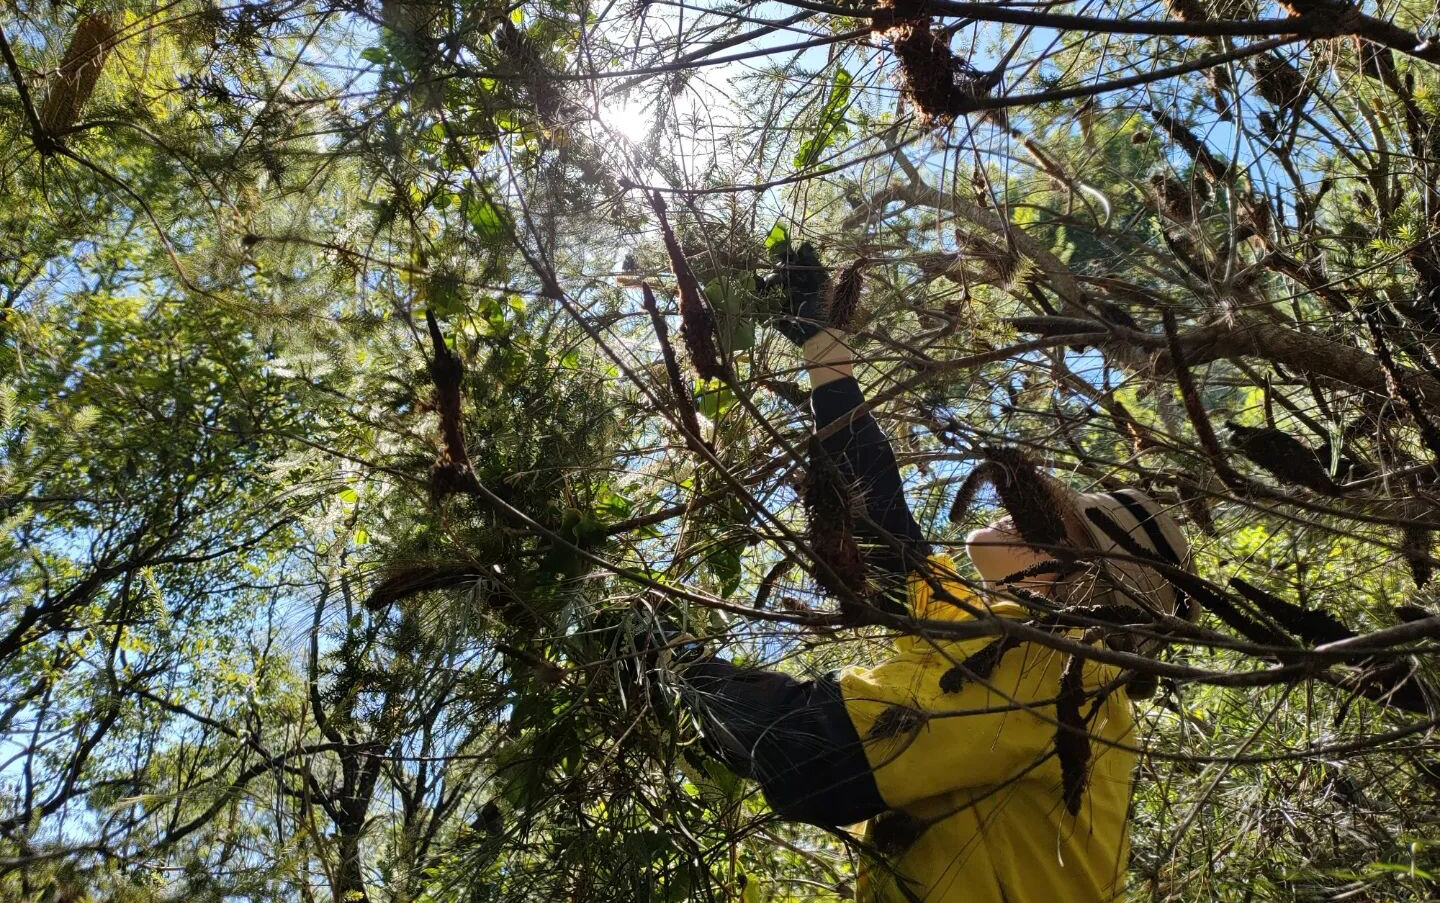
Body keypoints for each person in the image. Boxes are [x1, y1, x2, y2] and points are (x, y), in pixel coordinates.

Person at [654, 243, 1195, 903]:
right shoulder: (996, 641)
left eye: (1053, 518)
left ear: (1079, 579)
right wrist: (824, 351)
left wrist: (676, 662)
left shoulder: (1058, 675)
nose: (1019, 504)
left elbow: (809, 749)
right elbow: (881, 533)